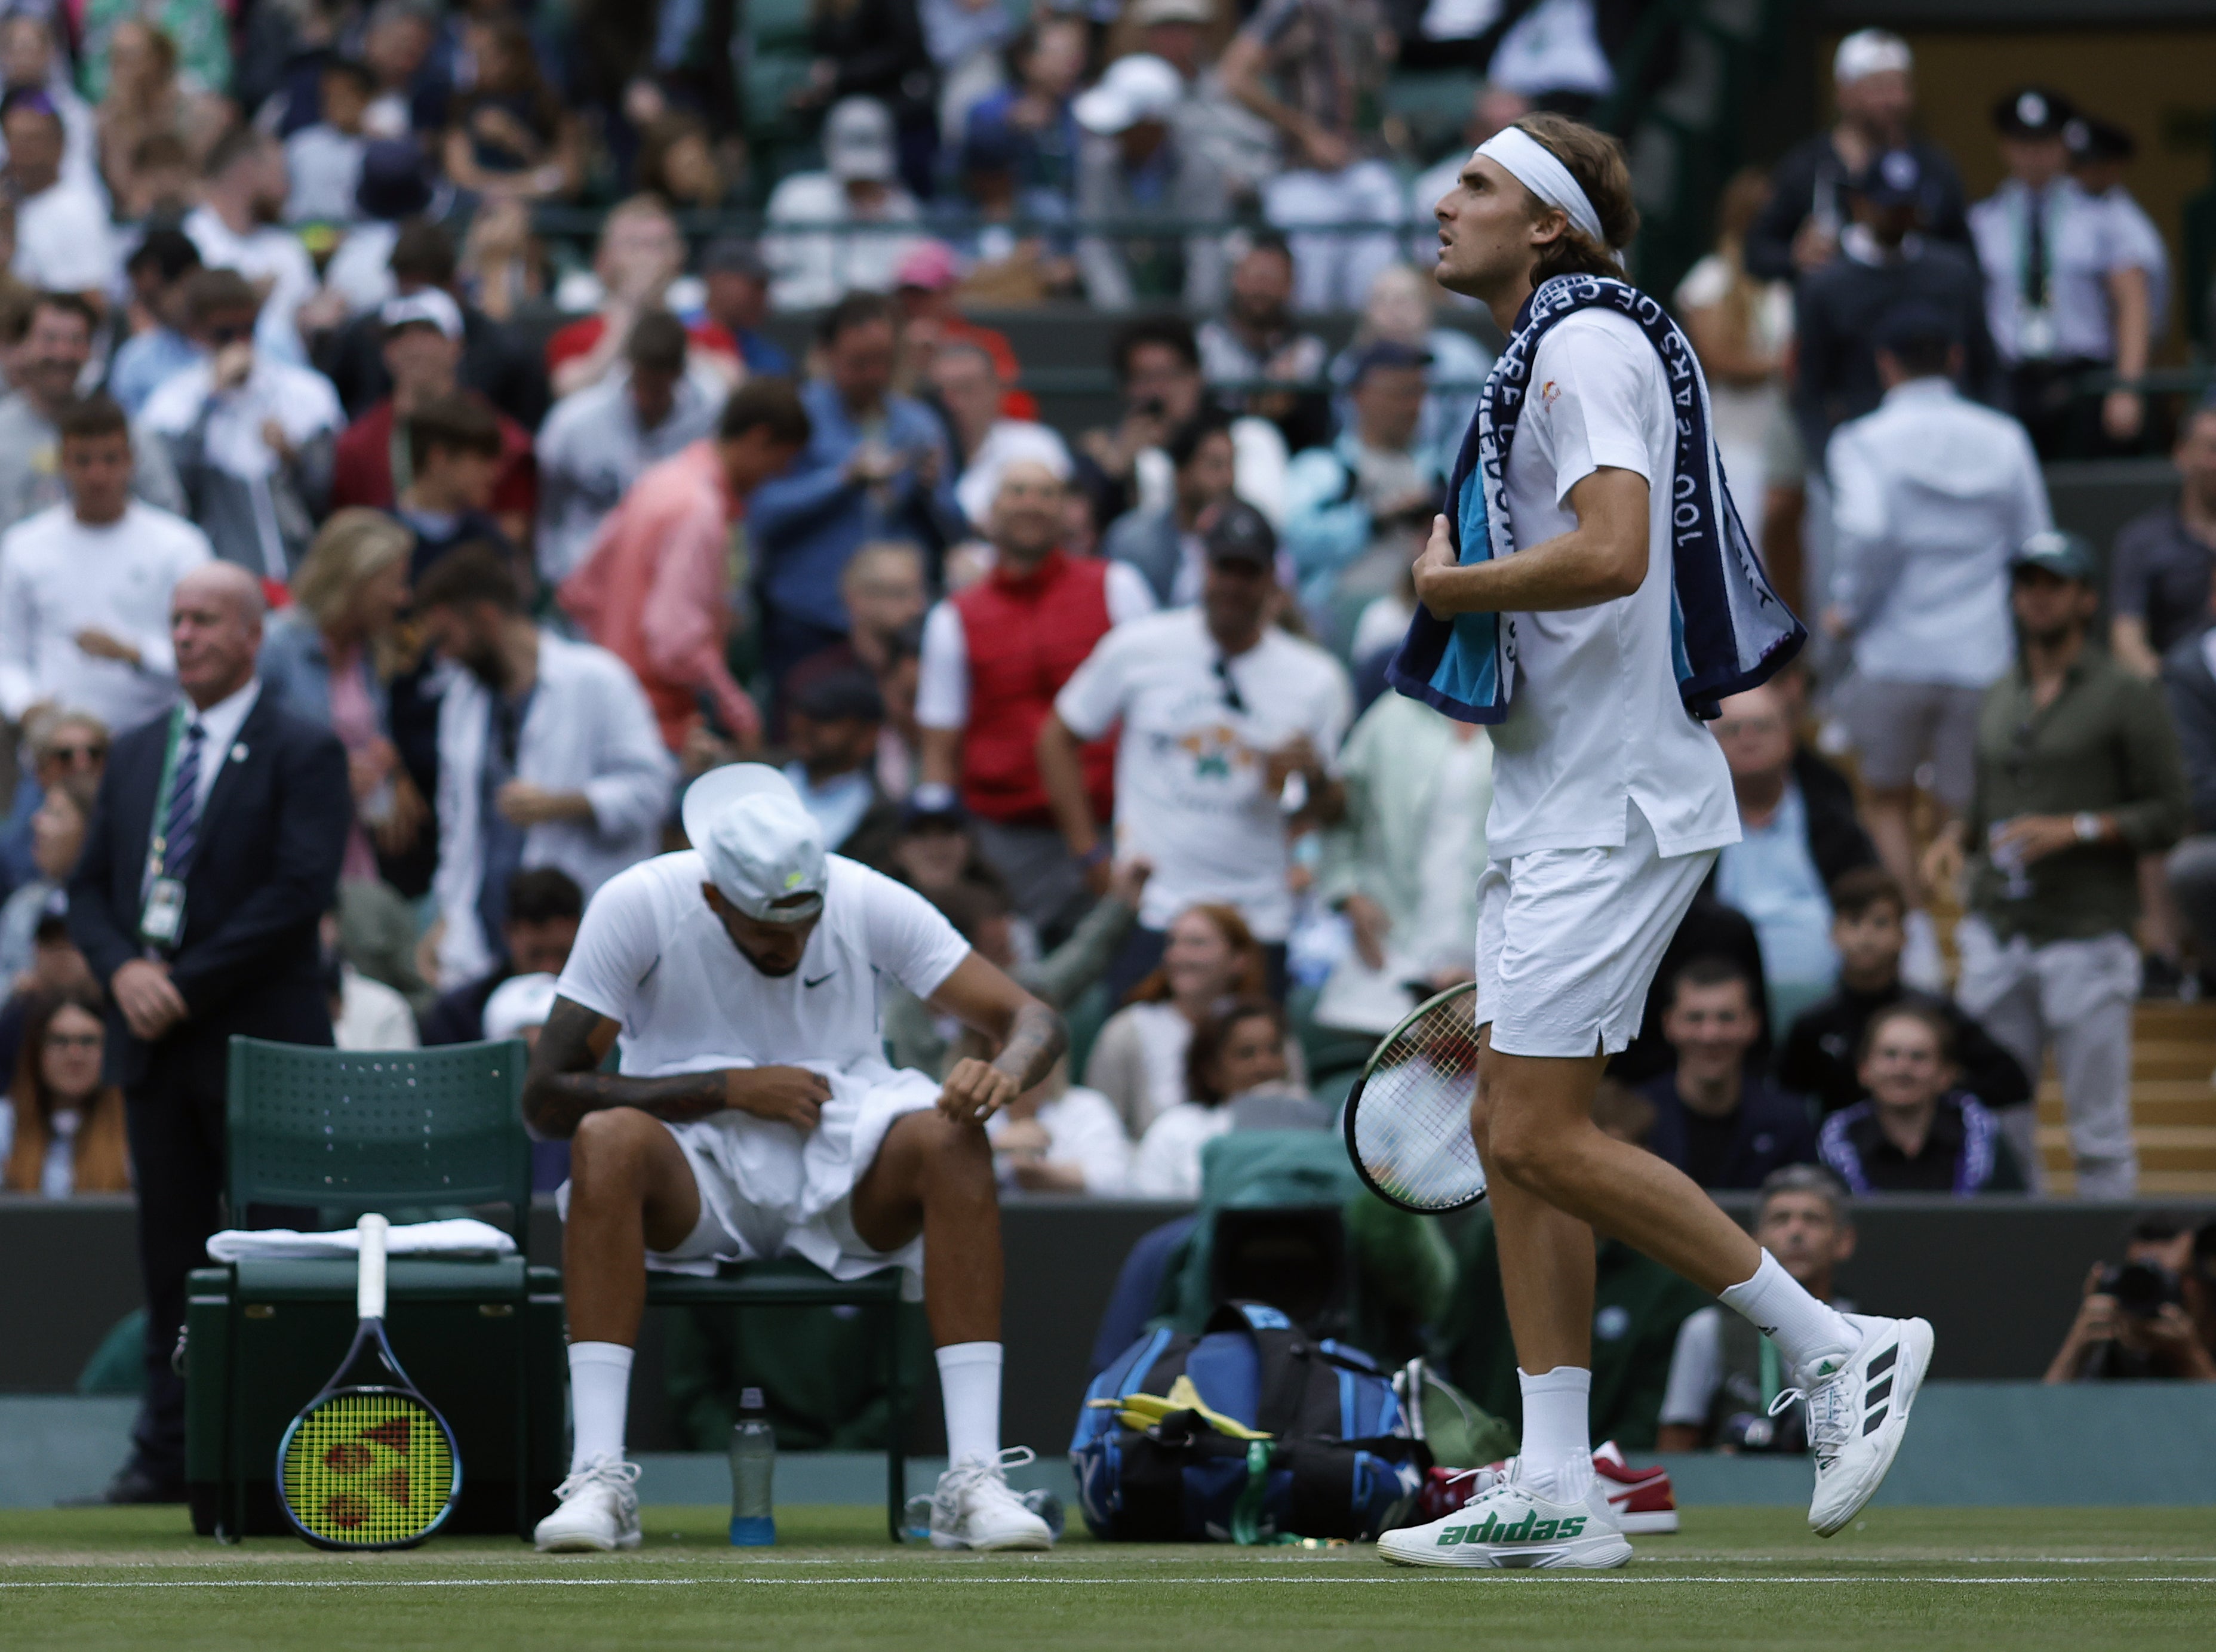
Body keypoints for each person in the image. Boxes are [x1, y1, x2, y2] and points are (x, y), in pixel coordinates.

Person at [1376, 114, 1928, 1572]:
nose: (1446, 203)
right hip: (1554, 798)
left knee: (1540, 1131)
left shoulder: (1584, 348)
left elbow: (1614, 547)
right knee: (1512, 1141)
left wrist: (1453, 586)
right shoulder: (1544, 347)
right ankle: (1557, 1482)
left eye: (1479, 185)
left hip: (1611, 808)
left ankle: (1834, 1344)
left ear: (1549, 224)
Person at [521, 762, 1066, 1552]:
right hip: (694, 1175)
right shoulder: (638, 901)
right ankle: (599, 1475)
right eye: (768, 930)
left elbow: (1029, 1014)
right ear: (712, 896)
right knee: (604, 1138)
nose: (792, 941)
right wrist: (729, 1087)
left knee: (951, 1135)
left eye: (804, 923)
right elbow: (546, 1101)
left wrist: (1006, 1069)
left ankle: (973, 1477)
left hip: (845, 1166)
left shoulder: (860, 891)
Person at [69, 561, 351, 1502]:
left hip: (261, 1042)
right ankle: (168, 1454)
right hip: (156, 1045)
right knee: (170, 1260)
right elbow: (89, 889)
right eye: (176, 619)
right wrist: (122, 971)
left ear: (250, 636)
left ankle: (281, 1454)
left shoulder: (302, 746)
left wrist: (178, 983)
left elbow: (298, 890)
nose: (184, 634)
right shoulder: (140, 747)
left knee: (283, 1255)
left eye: (205, 620)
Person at [1928, 531, 2187, 1199]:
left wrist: (2079, 828)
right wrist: (1954, 836)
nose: (2038, 598)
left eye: (2053, 584)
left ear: (2086, 598)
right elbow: (1986, 805)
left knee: (2098, 1131)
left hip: (2086, 930)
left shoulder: (2126, 693)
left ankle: (2108, 1269)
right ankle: (2017, 1269)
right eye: (2027, 584)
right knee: (1995, 1120)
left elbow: (2169, 813)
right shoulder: (2000, 691)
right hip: (1998, 926)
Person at [1041, 502, 1348, 1004]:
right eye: (1224, 567)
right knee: (1141, 1062)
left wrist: (1311, 774)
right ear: (1203, 568)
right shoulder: (1140, 647)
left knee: (1250, 1067)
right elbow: (1056, 736)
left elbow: (1331, 809)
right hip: (1152, 908)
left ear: (1272, 578)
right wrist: (1088, 854)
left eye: (1248, 571)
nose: (1233, 584)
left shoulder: (1315, 678)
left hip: (1255, 915)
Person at [1824, 302, 2049, 944]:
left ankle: (1920, 936)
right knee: (1964, 804)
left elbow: (1867, 531)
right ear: (1955, 359)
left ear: (1884, 364)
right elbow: (2035, 540)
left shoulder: (1861, 440)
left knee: (1886, 797)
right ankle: (1970, 934)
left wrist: (1849, 607)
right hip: (1982, 654)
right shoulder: (2004, 437)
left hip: (1894, 653)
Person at [414, 546, 674, 989]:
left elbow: (653, 791)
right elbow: (457, 824)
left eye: (447, 637)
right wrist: (447, 915)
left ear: (485, 617)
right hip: (488, 938)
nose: (445, 655)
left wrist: (564, 804)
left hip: (579, 935)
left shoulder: (598, 679)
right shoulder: (462, 699)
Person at [916, 460, 1154, 937]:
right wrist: (938, 847)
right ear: (990, 511)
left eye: (1046, 493)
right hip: (1006, 838)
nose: (1031, 504)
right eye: (1017, 490)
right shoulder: (953, 617)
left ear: (1067, 510)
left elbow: (1151, 704)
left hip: (1111, 826)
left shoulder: (1116, 587)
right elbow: (940, 746)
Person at [558, 381, 813, 758]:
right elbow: (674, 641)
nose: (776, 478)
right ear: (760, 440)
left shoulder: (660, 480)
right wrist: (738, 710)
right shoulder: (699, 510)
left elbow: (580, 591)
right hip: (658, 726)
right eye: (782, 462)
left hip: (614, 710)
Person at [748, 293, 955, 694]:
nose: (873, 374)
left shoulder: (918, 423)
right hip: (808, 620)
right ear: (826, 354)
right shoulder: (794, 417)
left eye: (883, 361)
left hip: (896, 631)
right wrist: (842, 479)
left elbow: (954, 525)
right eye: (858, 362)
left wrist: (932, 490)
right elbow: (761, 511)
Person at [0, 396, 212, 740]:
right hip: (57, 752)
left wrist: (134, 654)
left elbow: (206, 654)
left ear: (131, 461)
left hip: (155, 742)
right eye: (83, 462)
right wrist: (28, 707)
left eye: (110, 460)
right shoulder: (23, 546)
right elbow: (7, 655)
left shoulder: (180, 545)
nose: (97, 476)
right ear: (61, 464)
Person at [1969, 87, 2152, 459]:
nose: (2034, 155)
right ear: (2005, 148)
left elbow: (2132, 303)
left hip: (2082, 380)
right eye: (2024, 143)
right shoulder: (1981, 223)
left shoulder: (2102, 219)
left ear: (2064, 147)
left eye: (2045, 143)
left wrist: (2127, 386)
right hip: (2009, 380)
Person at [1776, 866, 2031, 1120]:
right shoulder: (1813, 1026)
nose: (1866, 936)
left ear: (1903, 935)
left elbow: (2011, 1082)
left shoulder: (1936, 1014)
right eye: (1854, 922)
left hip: (1930, 1154)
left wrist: (1938, 1093)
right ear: (1833, 933)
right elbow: (1785, 1102)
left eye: (1880, 923)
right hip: (1839, 1155)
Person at [1791, 149, 1999, 459]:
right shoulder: (1826, 287)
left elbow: (1987, 366)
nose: (1902, 217)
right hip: (1867, 452)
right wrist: (1829, 460)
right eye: (1890, 208)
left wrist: (1989, 437)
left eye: (1909, 207)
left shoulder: (1953, 273)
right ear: (1860, 204)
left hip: (1954, 449)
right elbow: (1810, 390)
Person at [1311, 685, 1490, 1035]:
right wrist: (1346, 892)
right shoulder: (1392, 714)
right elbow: (1342, 817)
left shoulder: (1534, 710)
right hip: (1391, 948)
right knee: (1382, 1081)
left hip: (1496, 956)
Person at [257, 509, 422, 888]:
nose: (403, 598)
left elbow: (363, 742)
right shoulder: (276, 646)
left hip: (348, 848)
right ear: (357, 581)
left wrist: (391, 769)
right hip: (282, 850)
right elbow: (243, 749)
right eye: (395, 583)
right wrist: (327, 777)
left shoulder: (368, 651)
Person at [142, 270, 343, 579]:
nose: (239, 343)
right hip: (222, 578)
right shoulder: (172, 403)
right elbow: (173, 497)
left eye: (248, 330)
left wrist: (292, 457)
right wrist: (211, 403)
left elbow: (327, 494)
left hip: (304, 574)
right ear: (196, 331)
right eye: (224, 333)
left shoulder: (306, 392)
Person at [1710, 684, 1877, 1032]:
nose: (1748, 738)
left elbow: (1871, 902)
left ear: (1788, 738)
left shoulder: (1833, 819)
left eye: (1761, 726)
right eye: (1733, 730)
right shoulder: (1688, 828)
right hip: (1717, 1014)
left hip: (1832, 1008)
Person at [1218, 0, 1401, 315]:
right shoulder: (1295, 8)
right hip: (1305, 176)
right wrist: (1306, 132)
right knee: (1311, 301)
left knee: (1377, 297)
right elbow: (1235, 76)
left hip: (1369, 167)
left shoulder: (1373, 9)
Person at [1656, 1167, 1858, 1453]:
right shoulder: (1709, 1329)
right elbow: (1676, 1448)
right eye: (1780, 1219)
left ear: (1844, 1241)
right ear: (1753, 1242)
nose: (1796, 1232)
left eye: (1812, 1220)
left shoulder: (1867, 1329)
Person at [1744, 29, 1969, 283]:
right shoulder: (1807, 167)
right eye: (1878, 87)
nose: (1892, 100)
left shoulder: (1934, 169)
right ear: (1844, 92)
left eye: (1900, 86)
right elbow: (1757, 253)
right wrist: (1795, 257)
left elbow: (1966, 257)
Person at [328, 288, 536, 547]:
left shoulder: (505, 439)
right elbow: (350, 536)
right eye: (399, 336)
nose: (412, 346)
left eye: (427, 333)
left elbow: (513, 530)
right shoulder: (356, 445)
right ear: (385, 351)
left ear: (456, 344)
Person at [533, 312, 727, 586]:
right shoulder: (575, 422)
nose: (647, 397)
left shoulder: (711, 417)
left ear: (680, 374)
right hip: (586, 578)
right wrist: (556, 571)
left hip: (672, 578)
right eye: (642, 382)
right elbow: (546, 504)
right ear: (629, 367)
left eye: (658, 387)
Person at [1084, 901, 1293, 1141]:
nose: (1178, 955)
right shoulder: (1126, 1031)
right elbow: (1102, 1127)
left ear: (1238, 960)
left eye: (1196, 943)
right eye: (1173, 943)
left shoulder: (1265, 1025)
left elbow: (1297, 1103)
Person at [320, 217, 550, 429]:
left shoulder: (506, 351)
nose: (415, 344)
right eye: (406, 292)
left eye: (427, 331)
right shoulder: (362, 336)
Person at [1280, 341, 1449, 630]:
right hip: (1339, 616)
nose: (1413, 406)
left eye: (1419, 393)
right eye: (1401, 393)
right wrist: (1375, 519)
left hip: (1418, 617)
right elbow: (1296, 543)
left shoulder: (1438, 471)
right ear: (1360, 395)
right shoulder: (1325, 468)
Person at [1080, 315, 1287, 533]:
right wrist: (1118, 475)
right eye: (1143, 377)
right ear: (1125, 389)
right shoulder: (1111, 452)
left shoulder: (1245, 435)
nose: (1156, 391)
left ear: (1197, 377)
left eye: (1168, 375)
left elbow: (1265, 528)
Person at [1674, 169, 1793, 548]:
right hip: (1735, 441)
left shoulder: (1788, 278)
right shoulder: (1711, 277)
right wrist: (1782, 365)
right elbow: (1717, 359)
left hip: (1788, 436)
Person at [1634, 958, 1818, 1193]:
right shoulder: (1635, 1117)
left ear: (1753, 1024)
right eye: (1695, 1018)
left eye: (1726, 1018)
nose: (1710, 1035)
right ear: (1669, 1024)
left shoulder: (1790, 1122)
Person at [0, 294, 182, 531]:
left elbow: (168, 516)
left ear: (91, 351)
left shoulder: (123, 430)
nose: (62, 353)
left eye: (76, 340)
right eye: (49, 339)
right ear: (21, 346)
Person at [1071, 52, 1227, 315]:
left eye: (1127, 124)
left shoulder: (1200, 169)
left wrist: (1195, 324)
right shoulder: (1096, 164)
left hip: (1184, 310)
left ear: (1154, 124)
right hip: (1118, 314)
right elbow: (1095, 245)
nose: (1116, 133)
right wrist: (1120, 317)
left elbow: (1207, 252)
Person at [1816, 1002, 2024, 1196]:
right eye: (1890, 1055)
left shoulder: (1984, 1141)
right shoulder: (1833, 1145)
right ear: (1863, 1070)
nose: (1903, 1068)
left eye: (1919, 1056)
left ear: (1946, 1074)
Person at [543, 197, 738, 401]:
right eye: (634, 244)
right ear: (602, 260)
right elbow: (568, 392)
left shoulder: (709, 334)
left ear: (679, 258)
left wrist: (660, 320)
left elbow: (731, 387)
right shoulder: (572, 337)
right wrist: (631, 308)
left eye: (659, 245)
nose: (647, 257)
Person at [1129, 996, 1306, 1199]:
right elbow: (1147, 1217)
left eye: (1275, 1050)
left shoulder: (1313, 1126)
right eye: (1246, 1054)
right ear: (1211, 1072)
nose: (1265, 1066)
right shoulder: (1175, 1130)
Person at [763, 97, 924, 313]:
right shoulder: (795, 195)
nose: (861, 185)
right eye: (853, 180)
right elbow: (773, 268)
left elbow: (910, 282)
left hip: (878, 323)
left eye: (869, 179)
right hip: (805, 318)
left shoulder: (903, 207)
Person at [1327, 264, 1494, 469]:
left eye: (1405, 300)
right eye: (1382, 301)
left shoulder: (1463, 359)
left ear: (1428, 309)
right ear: (1367, 313)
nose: (1395, 312)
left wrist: (1441, 481)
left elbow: (1479, 430)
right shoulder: (1346, 368)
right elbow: (1347, 440)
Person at [182, 128, 321, 363]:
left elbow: (307, 325)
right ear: (247, 170)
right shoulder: (191, 239)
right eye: (279, 168)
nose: (287, 182)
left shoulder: (286, 247)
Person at [419, 866, 583, 1045]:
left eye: (562, 954)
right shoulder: (458, 1016)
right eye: (536, 954)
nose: (549, 968)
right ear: (509, 933)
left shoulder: (608, 1006)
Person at [1195, 238, 1330, 454]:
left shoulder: (1309, 352)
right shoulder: (1204, 344)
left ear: (1291, 286)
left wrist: (1291, 403)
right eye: (1255, 277)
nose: (1261, 289)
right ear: (1236, 278)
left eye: (1273, 279)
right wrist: (1255, 407)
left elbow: (1319, 435)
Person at [2043, 1215, 2216, 1383]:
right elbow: (2041, 1412)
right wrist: (2077, 1348)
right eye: (2138, 1277)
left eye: (2167, 1278)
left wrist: (2190, 1358)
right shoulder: (2115, 1355)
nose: (2147, 1292)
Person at [2111, 404, 2216, 678]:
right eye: (2212, 449)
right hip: (2174, 694)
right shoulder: (2143, 540)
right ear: (2182, 453)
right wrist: (2177, 692)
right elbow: (2126, 639)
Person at [926, 340, 1072, 531]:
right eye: (941, 393)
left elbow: (1056, 519)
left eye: (966, 388)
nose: (953, 403)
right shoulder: (914, 449)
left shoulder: (1034, 444)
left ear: (996, 390)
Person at [0, 985, 131, 1195]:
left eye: (88, 1041)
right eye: (60, 1041)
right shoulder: (5, 1125)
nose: (75, 1055)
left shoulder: (133, 1130)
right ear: (37, 1051)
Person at [1100, 412, 1237, 611]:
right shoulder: (1131, 541)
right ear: (1181, 475)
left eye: (1232, 465)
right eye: (1215, 466)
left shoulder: (1250, 538)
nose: (1228, 479)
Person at [441, 16, 582, 205]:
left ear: (510, 58)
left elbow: (569, 181)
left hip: (545, 216)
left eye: (480, 56)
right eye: (467, 55)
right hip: (481, 212)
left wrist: (518, 140)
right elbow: (462, 177)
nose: (470, 66)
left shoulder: (551, 105)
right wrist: (532, 184)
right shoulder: (462, 105)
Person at [2, 90, 116, 303]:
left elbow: (93, 299)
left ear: (60, 144)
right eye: (14, 139)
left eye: (32, 140)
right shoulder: (7, 203)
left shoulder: (78, 209)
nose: (21, 150)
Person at [780, 666, 900, 866]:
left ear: (867, 735)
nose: (804, 726)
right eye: (802, 713)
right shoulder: (759, 773)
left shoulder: (882, 817)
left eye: (825, 718)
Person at [388, 393, 511, 579]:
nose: (492, 474)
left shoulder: (489, 542)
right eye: (481, 461)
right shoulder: (380, 539)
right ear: (439, 458)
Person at [985, 1056, 1131, 1196]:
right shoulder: (976, 1109)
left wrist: (1038, 1171)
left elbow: (1114, 1182)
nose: (1031, 1069)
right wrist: (994, 1146)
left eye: (1042, 1058)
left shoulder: (1088, 1106)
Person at [0, 770, 96, 982]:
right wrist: (20, 992)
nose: (36, 821)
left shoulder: (116, 908)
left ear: (92, 830)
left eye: (54, 813)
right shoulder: (26, 902)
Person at [0, 708, 107, 895]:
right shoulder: (19, 833)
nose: (82, 765)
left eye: (94, 753)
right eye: (65, 756)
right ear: (42, 770)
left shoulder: (127, 817)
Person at [107, 230, 204, 417]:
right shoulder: (135, 360)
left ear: (191, 282)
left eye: (153, 298)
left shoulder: (245, 335)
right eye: (142, 300)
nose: (152, 310)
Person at [284, 56, 373, 224]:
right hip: (300, 236)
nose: (335, 102)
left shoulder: (378, 151)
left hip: (362, 238)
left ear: (365, 99)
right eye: (329, 95)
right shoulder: (301, 144)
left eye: (344, 95)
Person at [694, 238, 792, 379]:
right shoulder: (679, 330)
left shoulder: (766, 354)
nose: (763, 298)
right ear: (719, 280)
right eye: (756, 286)